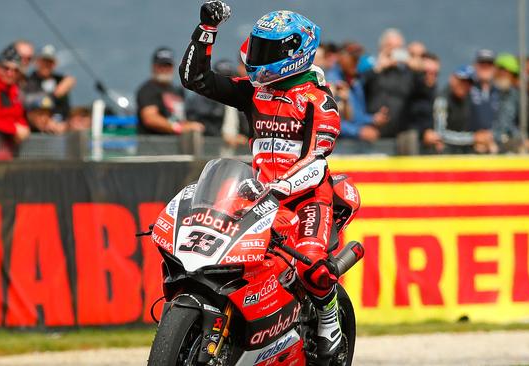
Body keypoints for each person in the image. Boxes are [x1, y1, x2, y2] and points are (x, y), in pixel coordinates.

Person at [180, 2, 344, 357]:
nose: (256, 57)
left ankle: (329, 320)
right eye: (257, 47)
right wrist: (207, 28)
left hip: (307, 199)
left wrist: (281, 187)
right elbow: (196, 79)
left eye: (266, 50)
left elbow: (318, 160)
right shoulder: (255, 91)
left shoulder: (320, 101)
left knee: (312, 263)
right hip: (257, 193)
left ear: (296, 53)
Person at [362, 28, 430, 144]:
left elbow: (424, 95)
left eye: (398, 47)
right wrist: (379, 67)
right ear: (381, 48)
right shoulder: (372, 68)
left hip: (399, 134)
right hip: (372, 132)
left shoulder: (408, 74)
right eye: (390, 47)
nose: (394, 51)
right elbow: (360, 87)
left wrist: (418, 70)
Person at [326, 42, 388, 147]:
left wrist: (373, 119)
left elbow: (357, 116)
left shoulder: (356, 82)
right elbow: (328, 118)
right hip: (336, 147)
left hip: (355, 146)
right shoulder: (331, 81)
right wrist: (358, 131)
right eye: (353, 59)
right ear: (341, 57)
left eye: (358, 59)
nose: (357, 62)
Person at [136, 47, 203, 134]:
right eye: (161, 66)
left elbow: (180, 118)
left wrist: (192, 126)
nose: (164, 69)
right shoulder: (147, 89)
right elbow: (150, 118)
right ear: (153, 67)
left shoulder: (177, 90)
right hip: (153, 144)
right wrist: (178, 128)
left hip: (175, 144)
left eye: (168, 65)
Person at [432, 65, 493, 154]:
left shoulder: (469, 99)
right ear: (453, 79)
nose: (465, 85)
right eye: (462, 81)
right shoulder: (442, 100)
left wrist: (484, 138)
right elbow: (440, 134)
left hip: (464, 154)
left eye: (469, 83)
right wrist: (473, 138)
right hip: (445, 156)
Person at [26, 44, 75, 120]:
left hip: (62, 124)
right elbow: (30, 102)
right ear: (36, 62)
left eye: (49, 62)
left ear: (55, 64)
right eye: (43, 61)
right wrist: (54, 95)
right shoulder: (28, 81)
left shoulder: (61, 80)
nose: (46, 65)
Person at [491, 53, 523, 152]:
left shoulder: (515, 95)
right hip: (489, 142)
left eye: (513, 74)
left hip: (509, 141)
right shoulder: (488, 93)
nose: (507, 77)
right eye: (503, 72)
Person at [470, 49, 500, 134]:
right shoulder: (467, 88)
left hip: (495, 140)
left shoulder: (501, 92)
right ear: (475, 66)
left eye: (489, 64)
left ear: (495, 68)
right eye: (482, 63)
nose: (485, 66)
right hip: (471, 139)